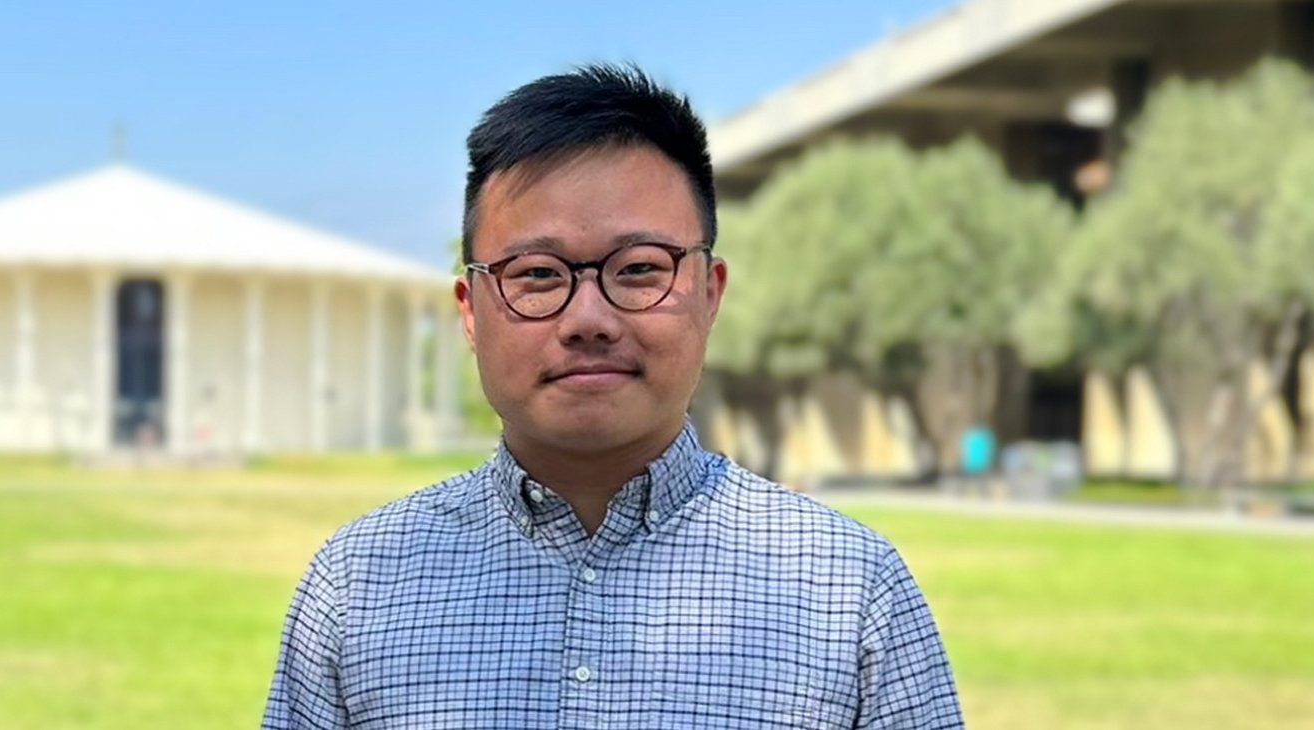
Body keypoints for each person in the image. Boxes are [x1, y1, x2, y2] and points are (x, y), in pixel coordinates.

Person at [262, 64, 963, 729]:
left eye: (638, 269)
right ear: (470, 311)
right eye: (537, 274)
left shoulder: (850, 591)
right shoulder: (358, 586)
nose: (589, 319)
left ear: (709, 293)